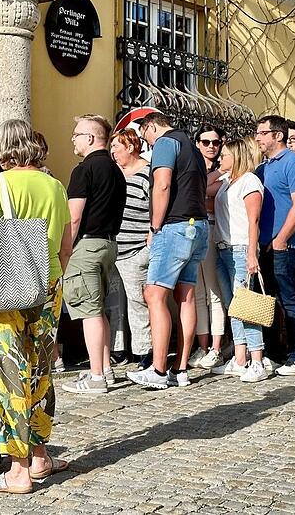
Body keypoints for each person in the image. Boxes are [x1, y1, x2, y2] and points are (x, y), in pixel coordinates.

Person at [0, 119, 72, 495]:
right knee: (40, 370)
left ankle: (18, 470)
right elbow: (65, 244)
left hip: (4, 287)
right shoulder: (55, 185)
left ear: (2, 149)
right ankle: (40, 456)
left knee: (7, 376)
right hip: (48, 283)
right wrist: (51, 279)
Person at [127, 112, 209, 389]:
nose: (146, 143)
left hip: (175, 226)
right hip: (197, 224)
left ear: (151, 126)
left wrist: (154, 226)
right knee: (185, 295)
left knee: (154, 293)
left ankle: (158, 370)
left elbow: (162, 184)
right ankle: (180, 368)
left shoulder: (165, 142)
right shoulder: (192, 147)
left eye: (144, 136)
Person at [60, 115, 126, 394]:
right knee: (98, 309)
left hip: (87, 245)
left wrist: (65, 251)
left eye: (76, 134)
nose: (72, 139)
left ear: (89, 138)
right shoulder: (115, 169)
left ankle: (96, 375)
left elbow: (74, 218)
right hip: (109, 243)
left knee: (89, 311)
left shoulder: (84, 170)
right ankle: (107, 369)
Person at [253, 115, 295, 376]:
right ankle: (275, 353)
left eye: (263, 133)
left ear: (278, 135)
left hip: (285, 246)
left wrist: (282, 239)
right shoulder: (262, 168)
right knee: (269, 302)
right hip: (265, 245)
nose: (258, 138)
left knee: (291, 300)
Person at [211, 139, 269, 382]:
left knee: (246, 306)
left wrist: (252, 254)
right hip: (222, 247)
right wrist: (219, 171)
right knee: (233, 307)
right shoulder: (226, 182)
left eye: (224, 155)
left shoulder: (249, 181)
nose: (219, 158)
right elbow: (202, 188)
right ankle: (240, 357)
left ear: (237, 156)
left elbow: (253, 220)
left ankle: (257, 360)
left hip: (240, 248)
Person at [106, 128, 153, 367]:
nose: (113, 152)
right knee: (114, 303)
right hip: (113, 245)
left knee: (137, 302)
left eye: (117, 147)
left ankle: (145, 352)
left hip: (136, 248)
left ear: (131, 147)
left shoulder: (147, 174)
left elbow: (156, 207)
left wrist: (151, 233)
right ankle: (118, 349)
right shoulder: (116, 174)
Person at [189, 126, 227, 370]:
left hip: (213, 229)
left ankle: (216, 347)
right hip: (193, 228)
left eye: (215, 142)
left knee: (214, 292)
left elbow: (199, 191)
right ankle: (202, 347)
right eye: (206, 142)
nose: (211, 146)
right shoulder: (193, 168)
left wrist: (205, 188)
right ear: (198, 143)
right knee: (197, 292)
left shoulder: (223, 170)